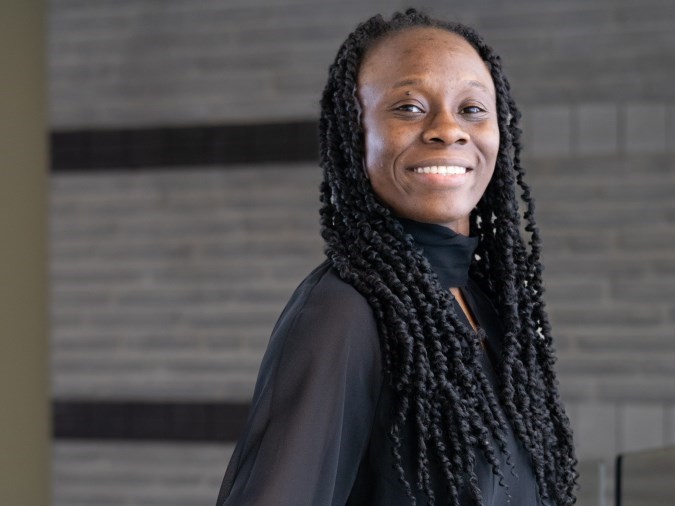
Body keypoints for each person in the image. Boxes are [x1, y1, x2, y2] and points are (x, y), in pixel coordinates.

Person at [216, 9, 577, 506]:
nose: (448, 130)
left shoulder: (489, 309)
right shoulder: (342, 313)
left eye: (472, 108)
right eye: (408, 107)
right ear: (354, 133)